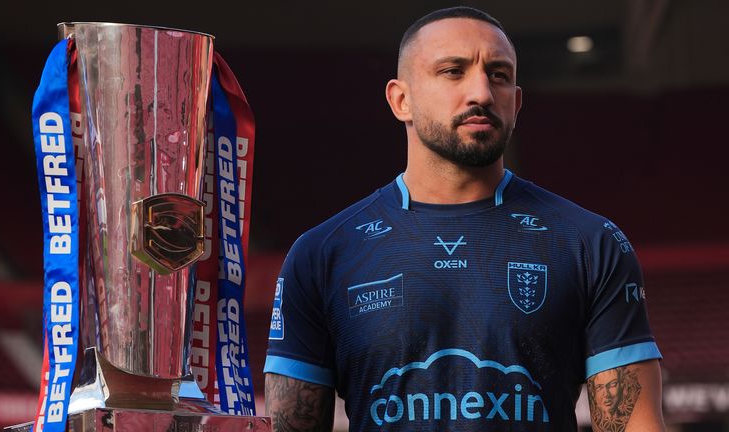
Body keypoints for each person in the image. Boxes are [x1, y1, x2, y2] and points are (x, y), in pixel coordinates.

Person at [263, 6, 665, 431]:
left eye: (499, 74)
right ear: (402, 99)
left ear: (517, 101)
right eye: (453, 71)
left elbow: (634, 424)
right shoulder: (322, 254)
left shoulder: (590, 243)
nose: (482, 93)